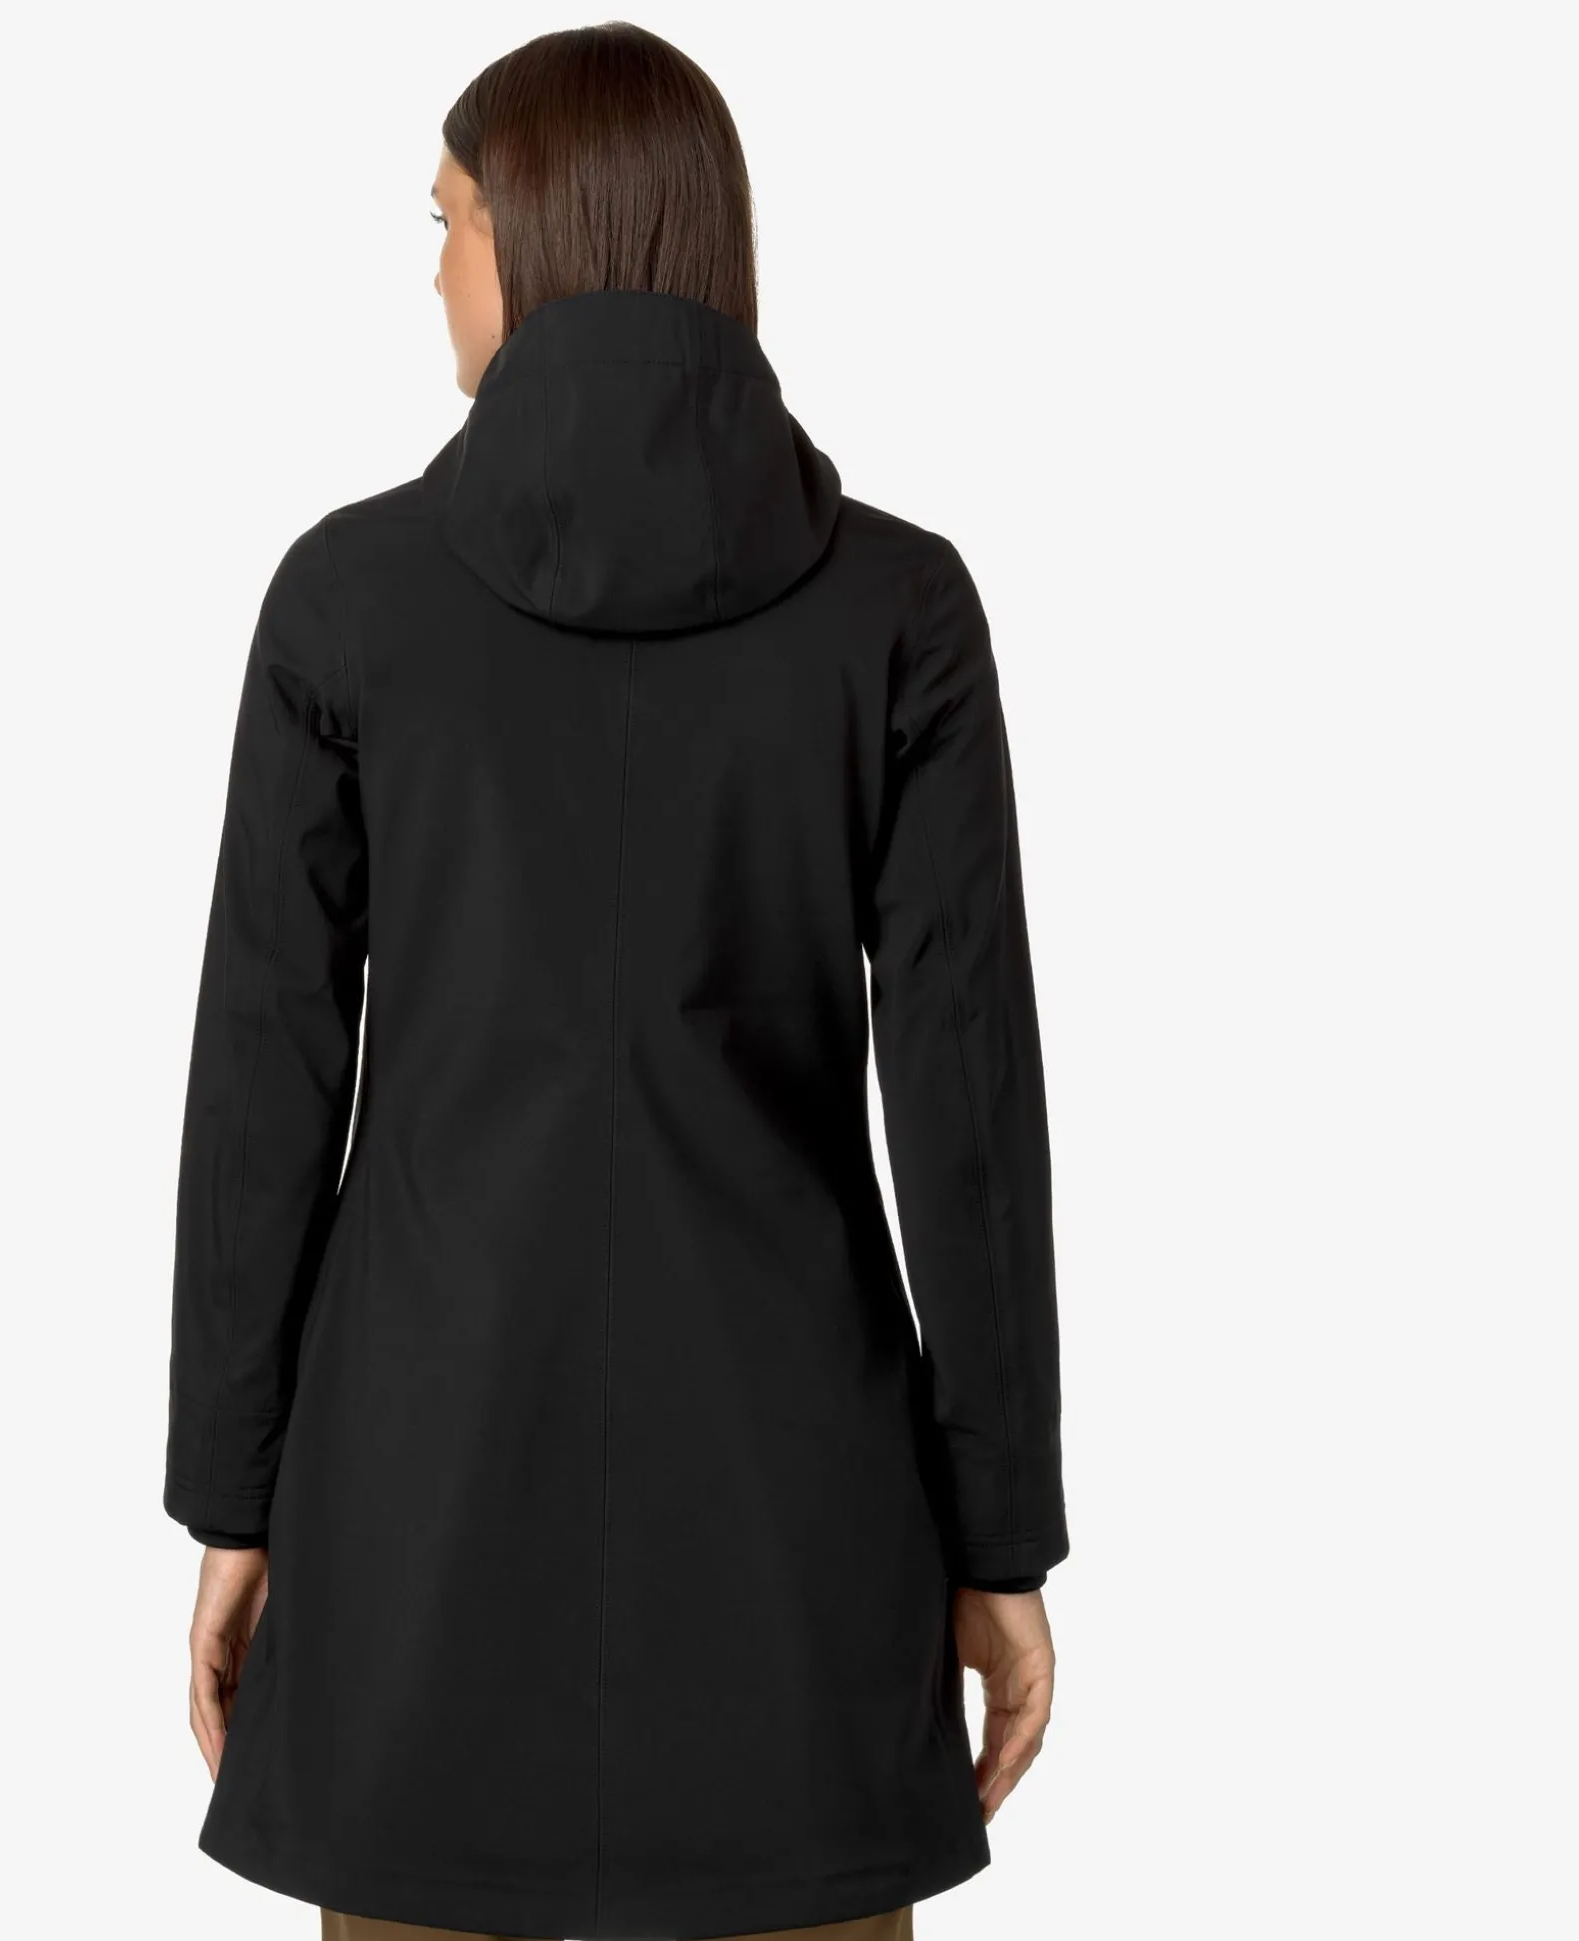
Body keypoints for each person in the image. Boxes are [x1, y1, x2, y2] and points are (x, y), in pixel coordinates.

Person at [164, 24, 1068, 1941]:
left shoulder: (347, 603)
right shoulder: (900, 610)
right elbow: (969, 1109)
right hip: (798, 1534)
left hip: (413, 1524)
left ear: (537, 238)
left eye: (444, 224)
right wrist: (999, 1536)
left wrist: (235, 1497)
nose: (430, 274)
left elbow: (264, 1080)